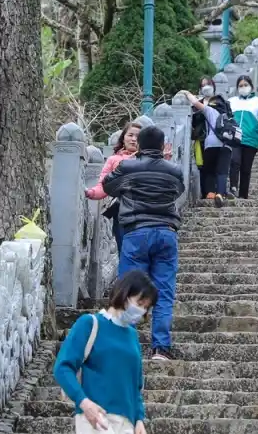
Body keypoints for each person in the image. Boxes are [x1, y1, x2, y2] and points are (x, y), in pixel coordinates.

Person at [102, 127, 185, 360]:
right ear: (162, 146)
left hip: (136, 232)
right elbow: (178, 191)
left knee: (129, 290)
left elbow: (109, 186)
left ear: (138, 144)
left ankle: (125, 344)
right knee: (164, 291)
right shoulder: (174, 171)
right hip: (166, 232)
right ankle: (161, 347)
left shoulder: (128, 167)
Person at [54, 270, 156, 434]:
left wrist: (139, 419)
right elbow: (63, 367)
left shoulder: (132, 336)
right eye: (139, 303)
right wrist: (84, 402)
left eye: (146, 307)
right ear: (125, 293)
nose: (141, 311)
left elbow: (136, 385)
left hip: (127, 424)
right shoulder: (90, 323)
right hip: (96, 419)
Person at [87, 121, 141, 254]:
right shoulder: (113, 159)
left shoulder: (148, 159)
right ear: (123, 138)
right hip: (122, 211)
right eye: (130, 135)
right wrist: (90, 193)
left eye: (138, 136)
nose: (134, 139)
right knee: (125, 251)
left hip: (145, 211)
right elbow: (103, 185)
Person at [188, 77, 233, 202]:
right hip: (226, 141)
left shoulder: (209, 109)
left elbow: (196, 105)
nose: (206, 87)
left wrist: (186, 93)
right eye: (203, 85)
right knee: (222, 170)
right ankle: (220, 193)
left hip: (210, 142)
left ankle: (210, 193)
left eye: (208, 84)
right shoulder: (224, 108)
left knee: (209, 169)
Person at [228, 75, 258, 199]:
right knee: (234, 161)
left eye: (245, 85)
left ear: (251, 87)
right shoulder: (232, 101)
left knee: (246, 168)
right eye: (240, 86)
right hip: (234, 137)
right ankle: (233, 187)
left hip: (251, 139)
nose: (243, 87)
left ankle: (243, 195)